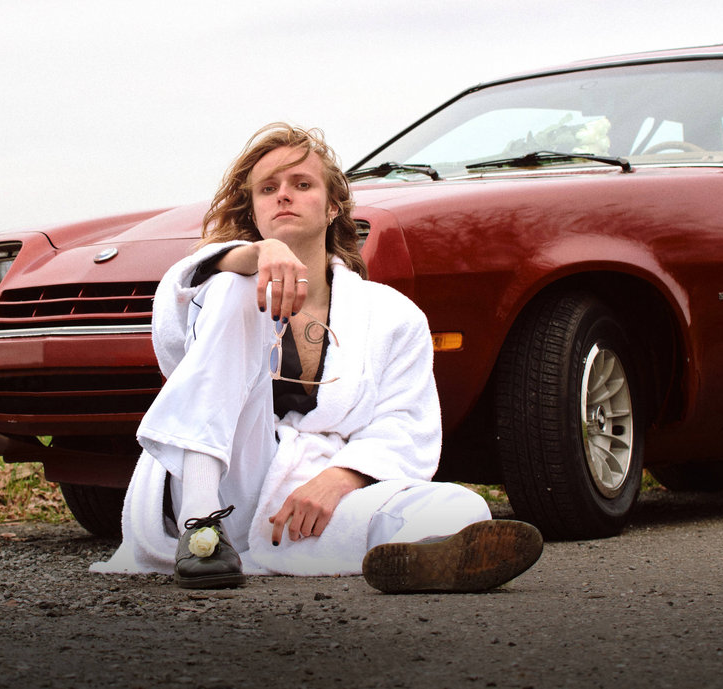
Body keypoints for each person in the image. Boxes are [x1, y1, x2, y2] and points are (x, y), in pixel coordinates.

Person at [91, 123, 542, 592]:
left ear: (332, 208)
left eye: (302, 184)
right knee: (232, 286)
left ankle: (406, 558)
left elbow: (406, 422)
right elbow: (176, 331)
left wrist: (342, 476)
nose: (283, 195)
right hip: (225, 481)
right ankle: (200, 528)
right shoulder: (219, 289)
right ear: (254, 211)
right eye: (268, 189)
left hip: (300, 495)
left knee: (463, 508)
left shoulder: (391, 314)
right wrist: (256, 255)